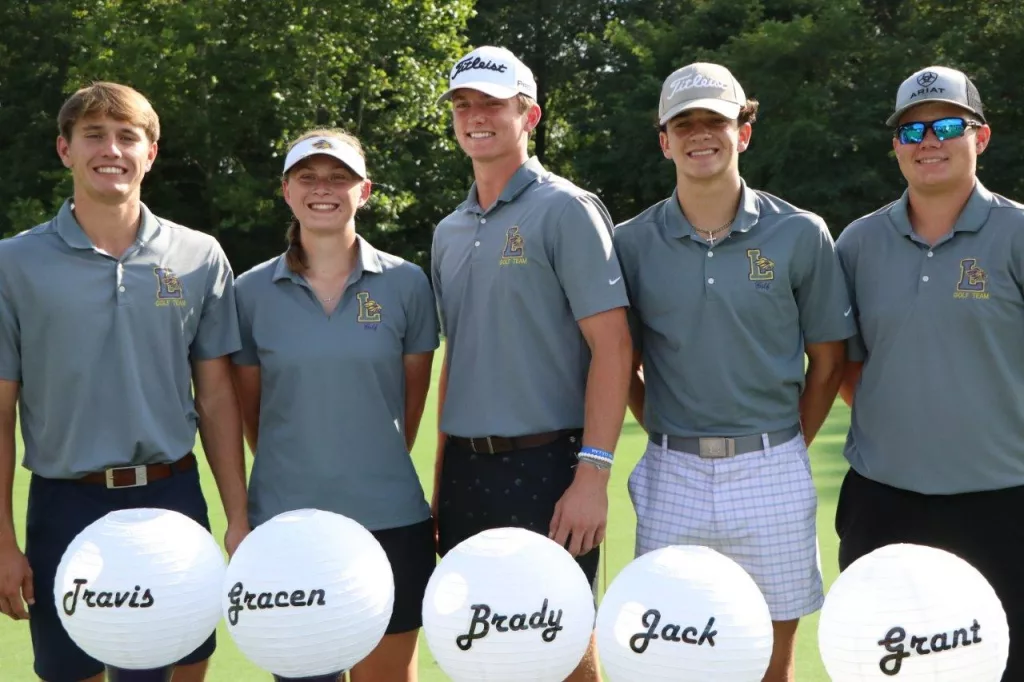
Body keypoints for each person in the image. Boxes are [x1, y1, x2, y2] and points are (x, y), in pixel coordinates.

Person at [612, 62, 854, 682]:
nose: (700, 134)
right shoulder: (630, 243)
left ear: (742, 132)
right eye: (683, 124)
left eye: (715, 121)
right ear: (664, 141)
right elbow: (619, 362)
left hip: (772, 466)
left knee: (771, 660)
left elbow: (829, 360)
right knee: (670, 657)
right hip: (672, 470)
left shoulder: (800, 232)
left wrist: (786, 443)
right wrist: (661, 424)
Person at [0, 82, 249, 682]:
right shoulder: (13, 263)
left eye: (126, 137)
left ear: (150, 153)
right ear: (65, 149)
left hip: (171, 498)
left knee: (178, 668)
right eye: (93, 135)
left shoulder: (198, 255)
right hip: (65, 503)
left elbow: (217, 399)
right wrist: (2, 541)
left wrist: (238, 518)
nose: (111, 150)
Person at [430, 45, 632, 681]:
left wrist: (592, 476)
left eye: (492, 104)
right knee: (482, 651)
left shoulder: (566, 209)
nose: (475, 116)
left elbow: (614, 347)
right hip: (467, 470)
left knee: (562, 648)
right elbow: (458, 357)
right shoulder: (449, 229)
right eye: (463, 104)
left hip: (550, 466)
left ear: (530, 115)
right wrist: (440, 480)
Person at [836, 65, 1023, 681]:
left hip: (1004, 503)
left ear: (981, 137)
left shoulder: (1017, 233)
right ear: (896, 146)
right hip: (884, 503)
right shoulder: (857, 244)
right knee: (881, 667)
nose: (928, 142)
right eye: (911, 131)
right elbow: (849, 366)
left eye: (947, 126)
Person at [230, 128, 439, 682]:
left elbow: (409, 405)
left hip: (390, 519)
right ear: (287, 191)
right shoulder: (248, 293)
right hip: (287, 524)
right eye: (308, 177)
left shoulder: (407, 283)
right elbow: (253, 413)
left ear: (364, 191)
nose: (323, 188)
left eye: (339, 177)